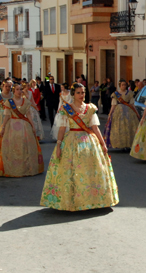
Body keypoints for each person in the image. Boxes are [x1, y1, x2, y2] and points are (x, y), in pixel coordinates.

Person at [40, 83, 119, 211]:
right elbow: (61, 129)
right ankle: (72, 200)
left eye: (83, 92)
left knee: (90, 170)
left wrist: (103, 143)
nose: (82, 95)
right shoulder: (67, 109)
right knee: (71, 171)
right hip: (71, 140)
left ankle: (92, 200)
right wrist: (59, 145)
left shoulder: (90, 108)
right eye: (78, 93)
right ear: (73, 94)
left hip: (89, 142)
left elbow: (95, 127)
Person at [0, 83, 44, 177]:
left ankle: (26, 167)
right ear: (14, 91)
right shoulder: (9, 102)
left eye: (20, 89)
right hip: (11, 126)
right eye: (17, 90)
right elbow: (7, 115)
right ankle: (12, 167)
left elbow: (29, 115)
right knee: (12, 145)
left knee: (24, 145)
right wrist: (3, 127)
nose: (19, 91)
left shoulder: (26, 102)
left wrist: (33, 126)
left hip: (24, 126)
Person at [103, 80, 140, 150]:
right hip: (119, 112)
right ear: (120, 86)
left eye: (125, 85)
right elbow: (113, 105)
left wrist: (136, 113)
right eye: (122, 85)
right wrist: (110, 114)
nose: (124, 86)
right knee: (119, 127)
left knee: (130, 127)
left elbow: (132, 104)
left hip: (129, 112)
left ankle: (129, 144)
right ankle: (121, 144)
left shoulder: (130, 93)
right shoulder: (115, 94)